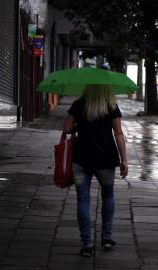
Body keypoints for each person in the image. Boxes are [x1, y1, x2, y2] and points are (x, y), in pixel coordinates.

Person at [63, 84, 128, 257]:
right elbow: (119, 133)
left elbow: (67, 129)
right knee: (108, 195)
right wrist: (124, 160)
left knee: (83, 200)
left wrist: (79, 127)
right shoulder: (111, 106)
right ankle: (106, 238)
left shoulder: (79, 105)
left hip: (80, 158)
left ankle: (86, 245)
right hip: (105, 159)